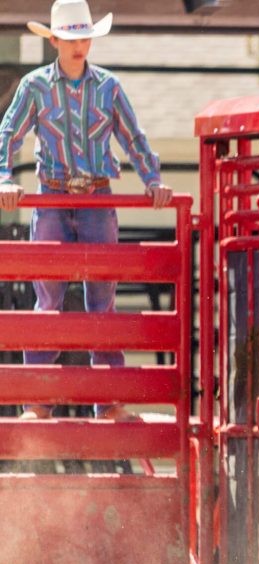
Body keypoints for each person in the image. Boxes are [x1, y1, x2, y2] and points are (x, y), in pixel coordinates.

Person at [0, 0, 173, 421]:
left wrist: (152, 180)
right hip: (54, 198)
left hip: (97, 198)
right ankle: (37, 403)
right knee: (48, 301)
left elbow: (134, 136)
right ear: (55, 40)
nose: (80, 45)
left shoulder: (109, 87)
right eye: (72, 38)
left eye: (85, 38)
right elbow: (8, 133)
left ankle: (109, 403)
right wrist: (3, 176)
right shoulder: (35, 86)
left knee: (103, 301)